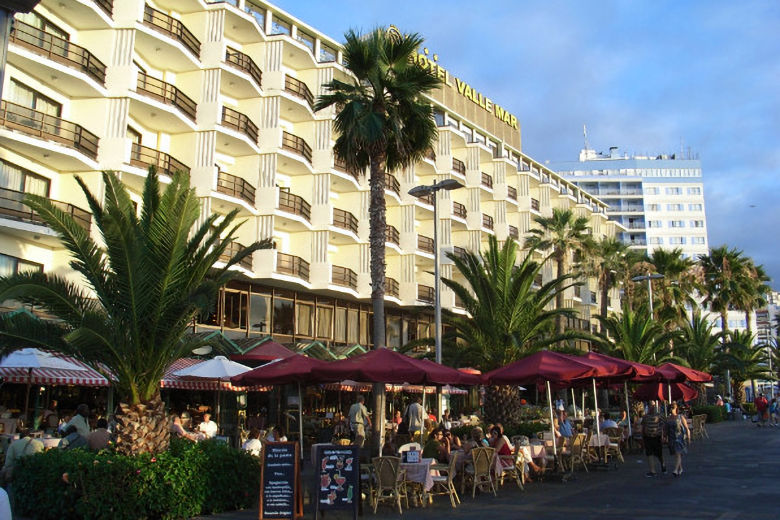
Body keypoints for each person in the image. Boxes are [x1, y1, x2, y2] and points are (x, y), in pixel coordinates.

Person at [666, 402, 691, 476]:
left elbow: (686, 428)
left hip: (679, 438)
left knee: (678, 453)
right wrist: (664, 437)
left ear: (676, 408)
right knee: (677, 454)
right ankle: (680, 468)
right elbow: (666, 429)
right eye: (670, 408)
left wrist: (688, 437)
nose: (671, 410)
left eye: (672, 408)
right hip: (671, 438)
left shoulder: (680, 417)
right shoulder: (668, 418)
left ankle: (676, 470)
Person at [642, 403, 666, 477]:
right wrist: (643, 435)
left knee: (659, 454)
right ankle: (653, 471)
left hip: (657, 437)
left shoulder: (659, 416)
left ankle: (663, 464)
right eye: (650, 406)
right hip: (648, 437)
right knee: (649, 453)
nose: (651, 407)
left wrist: (663, 436)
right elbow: (643, 426)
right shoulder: (645, 416)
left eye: (653, 406)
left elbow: (663, 426)